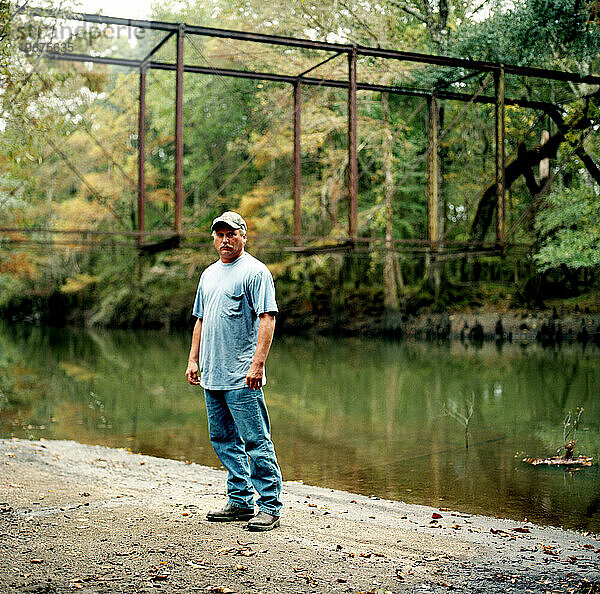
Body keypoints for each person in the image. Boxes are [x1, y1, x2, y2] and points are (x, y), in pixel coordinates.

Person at [185, 211, 282, 532]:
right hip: (211, 374)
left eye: (231, 234)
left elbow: (267, 318)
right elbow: (200, 319)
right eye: (219, 235)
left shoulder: (255, 272)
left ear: (244, 235)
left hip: (243, 375)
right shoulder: (209, 275)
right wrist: (192, 360)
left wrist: (258, 365)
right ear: (214, 238)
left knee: (256, 441)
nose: (225, 240)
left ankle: (269, 506)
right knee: (223, 439)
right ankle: (240, 500)